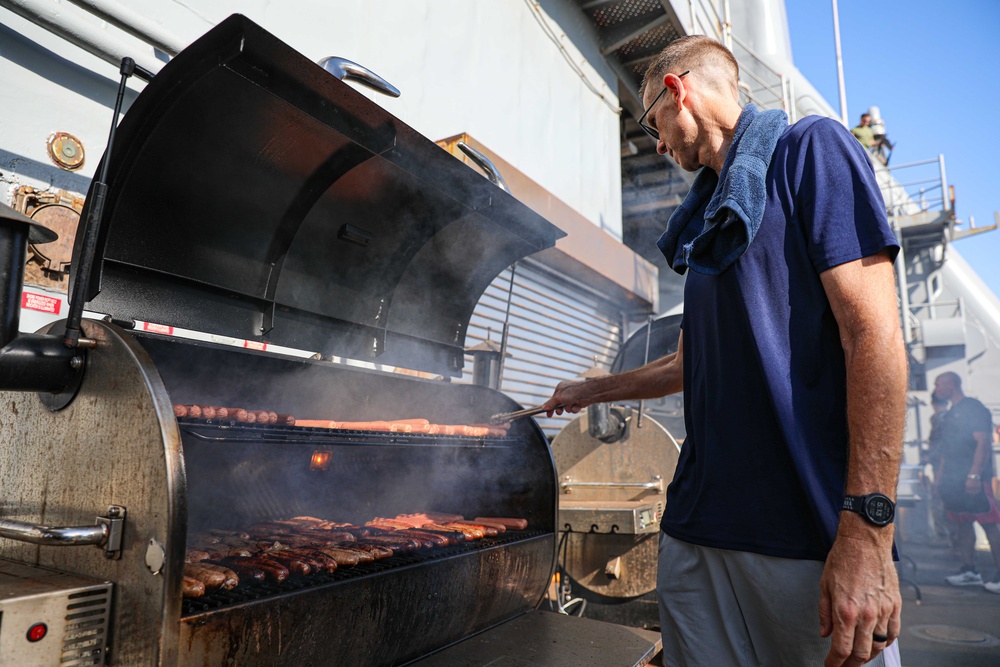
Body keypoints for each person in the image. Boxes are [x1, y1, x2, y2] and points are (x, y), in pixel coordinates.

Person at [541, 35, 908, 667]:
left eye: (654, 121)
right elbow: (689, 365)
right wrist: (590, 389)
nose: (657, 143)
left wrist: (868, 531)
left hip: (801, 535)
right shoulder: (713, 221)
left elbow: (872, 335)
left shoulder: (808, 152)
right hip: (695, 533)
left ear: (677, 90)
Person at [931, 372, 1000, 593]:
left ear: (952, 385)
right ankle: (970, 570)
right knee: (962, 523)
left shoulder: (973, 408)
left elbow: (983, 443)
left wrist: (974, 476)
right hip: (953, 480)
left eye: (939, 384)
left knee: (989, 524)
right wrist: (939, 480)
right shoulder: (951, 414)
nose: (936, 388)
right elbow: (946, 451)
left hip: (974, 480)